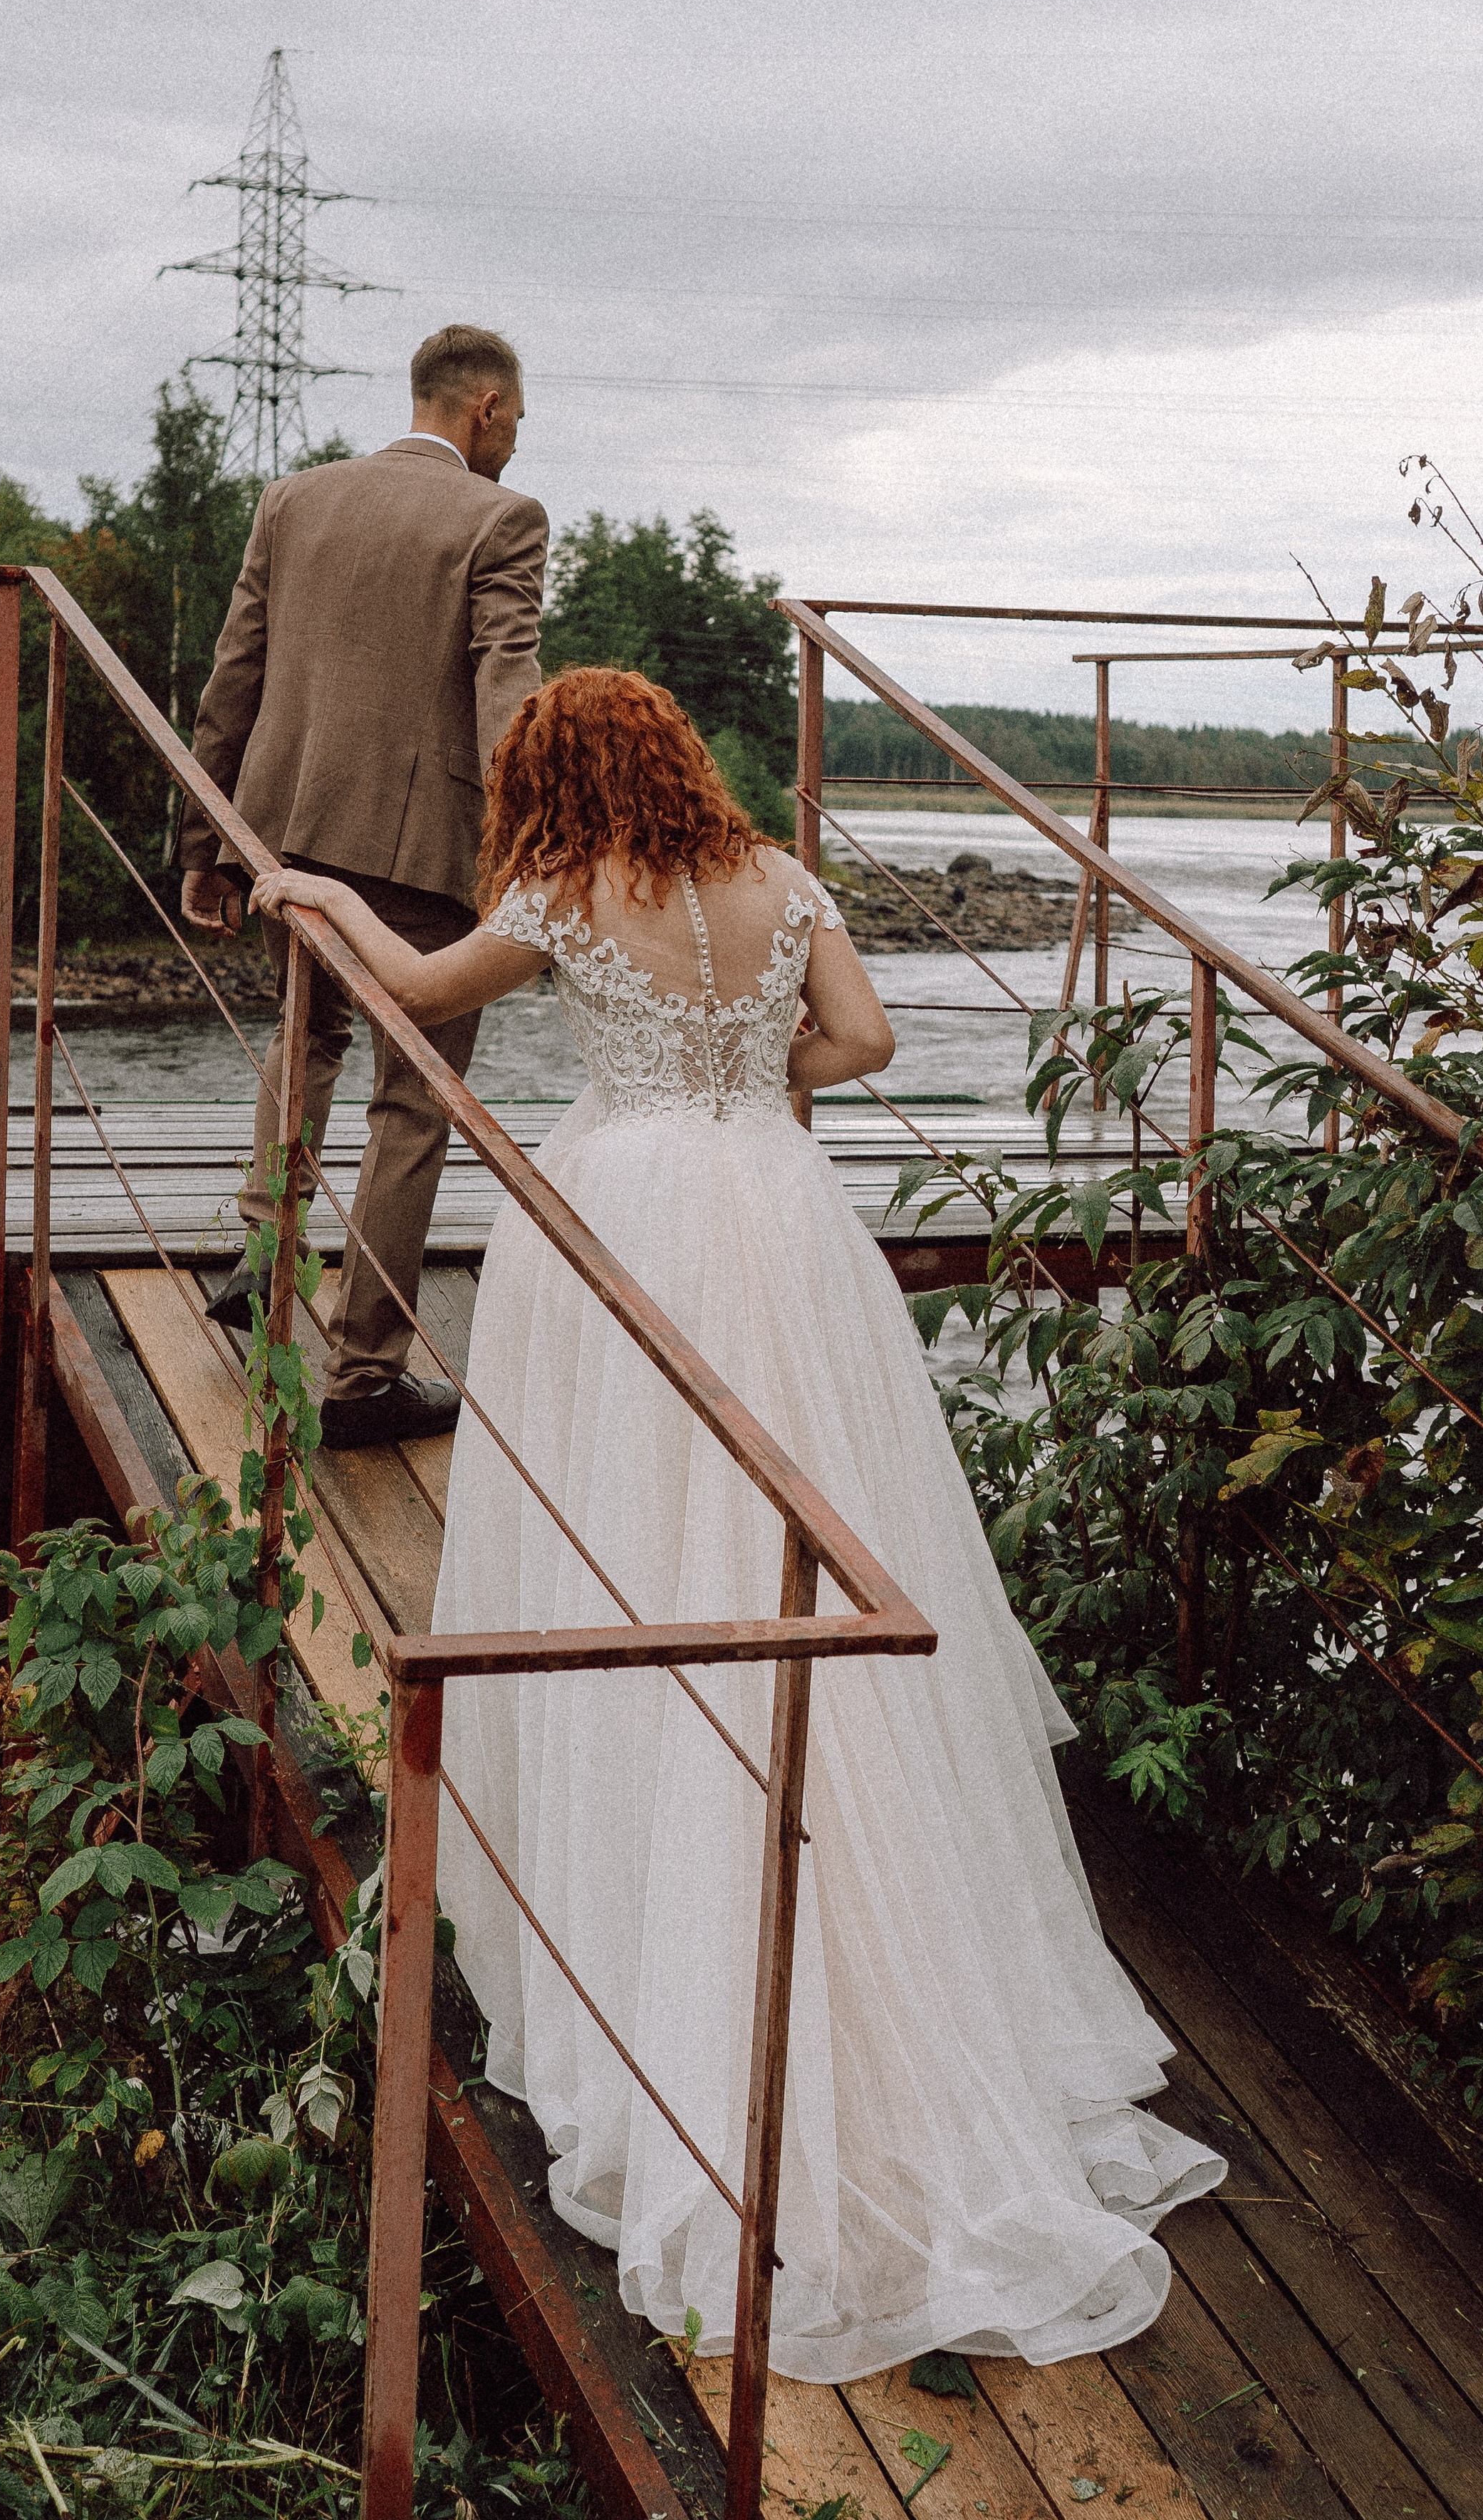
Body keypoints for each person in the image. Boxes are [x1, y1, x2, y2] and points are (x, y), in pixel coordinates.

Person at [251, 667, 1223, 2380]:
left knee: (629, 1519)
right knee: (813, 1495)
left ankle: (648, 1874)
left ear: (554, 778)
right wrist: (754, 1081)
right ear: (679, 760)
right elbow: (866, 1044)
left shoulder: (563, 887)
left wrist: (315, 896)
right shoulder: (781, 878)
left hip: (626, 1200)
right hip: (776, 1205)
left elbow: (414, 987)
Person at [178, 324, 547, 1449]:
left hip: (284, 833)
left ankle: (264, 1249)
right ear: (485, 408)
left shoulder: (295, 501)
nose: (517, 442)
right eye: (518, 421)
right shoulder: (501, 519)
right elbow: (508, 685)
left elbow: (236, 670)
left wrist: (207, 841)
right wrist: (531, 838)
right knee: (414, 1101)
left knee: (306, 1035)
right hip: (423, 852)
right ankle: (363, 1380)